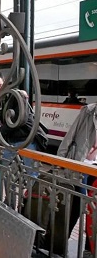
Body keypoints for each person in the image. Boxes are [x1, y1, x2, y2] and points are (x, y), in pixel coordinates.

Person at [57, 102, 97, 254]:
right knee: (75, 206)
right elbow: (70, 135)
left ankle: (89, 248)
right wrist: (60, 160)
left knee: (93, 211)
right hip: (81, 165)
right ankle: (59, 243)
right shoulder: (89, 111)